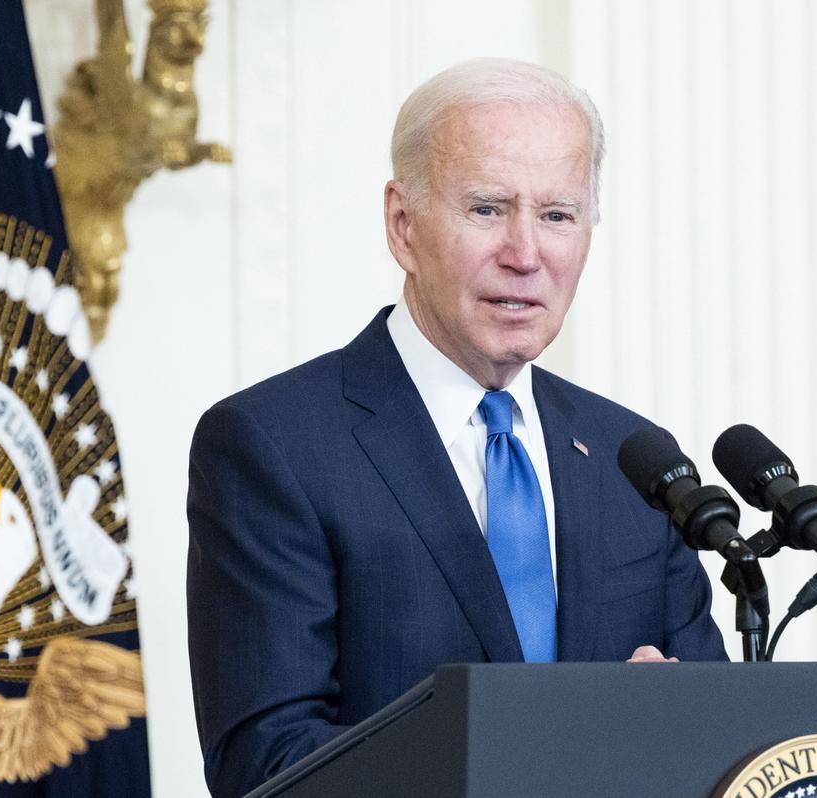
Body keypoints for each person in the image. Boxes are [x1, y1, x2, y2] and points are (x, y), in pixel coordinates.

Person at [186, 57, 726, 797]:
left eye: (558, 215)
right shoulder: (273, 446)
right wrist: (571, 746)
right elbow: (270, 767)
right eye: (486, 209)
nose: (526, 254)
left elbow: (720, 744)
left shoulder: (632, 460)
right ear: (403, 226)